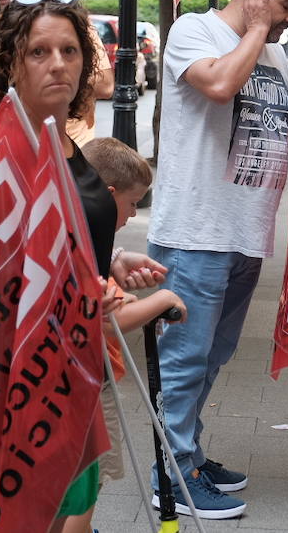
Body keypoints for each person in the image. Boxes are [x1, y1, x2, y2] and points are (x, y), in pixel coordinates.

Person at [0, 0, 166, 531]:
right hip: (23, 366)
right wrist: (72, 285)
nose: (57, 63)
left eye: (69, 49)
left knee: (70, 502)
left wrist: (108, 262)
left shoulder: (62, 140)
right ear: (13, 63)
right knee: (34, 510)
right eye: (39, 51)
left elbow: (60, 238)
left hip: (74, 356)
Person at [145, 0, 288, 520]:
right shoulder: (195, 30)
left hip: (244, 231)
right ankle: (171, 475)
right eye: (285, 2)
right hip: (197, 230)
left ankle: (187, 453)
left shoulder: (266, 50)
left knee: (212, 355)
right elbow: (218, 86)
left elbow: (256, 126)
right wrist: (262, 26)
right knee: (183, 357)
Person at [61, 137, 187, 533]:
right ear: (109, 194)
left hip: (71, 375)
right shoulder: (89, 235)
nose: (134, 215)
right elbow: (99, 317)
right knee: (88, 481)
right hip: (87, 380)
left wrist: (115, 268)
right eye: (133, 204)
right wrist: (163, 299)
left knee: (68, 482)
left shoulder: (76, 225)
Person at [0, 0, 114, 143]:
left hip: (70, 146)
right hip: (17, 142)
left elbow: (106, 86)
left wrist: (57, 74)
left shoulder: (67, 24)